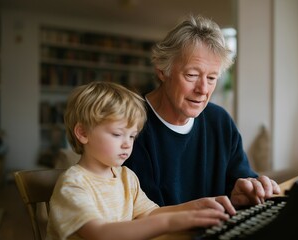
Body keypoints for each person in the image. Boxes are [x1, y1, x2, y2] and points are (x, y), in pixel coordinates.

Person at [124, 15, 281, 208]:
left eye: (212, 78)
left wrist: (248, 192)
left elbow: (240, 183)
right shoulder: (130, 125)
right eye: (192, 75)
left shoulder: (220, 121)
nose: (203, 89)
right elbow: (144, 214)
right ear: (162, 71)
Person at [46, 81, 236, 240]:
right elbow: (100, 233)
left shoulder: (126, 177)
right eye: (118, 134)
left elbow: (151, 213)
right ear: (83, 133)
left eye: (132, 136)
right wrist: (171, 223)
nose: (127, 144)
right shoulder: (73, 185)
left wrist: (195, 206)